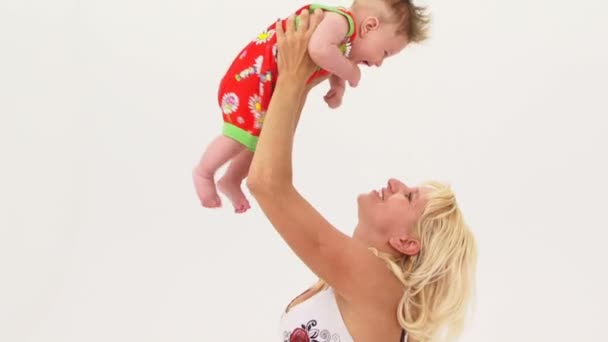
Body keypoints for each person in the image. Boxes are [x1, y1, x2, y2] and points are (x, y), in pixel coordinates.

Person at [246, 10, 477, 342]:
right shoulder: (355, 284)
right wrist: (299, 77)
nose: (397, 183)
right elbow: (268, 173)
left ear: (407, 243)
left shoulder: (376, 282)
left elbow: (266, 184)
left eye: (409, 196)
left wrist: (293, 77)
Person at [193, 0, 430, 213]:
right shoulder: (339, 21)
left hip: (268, 87)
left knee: (263, 143)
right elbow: (319, 49)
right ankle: (204, 172)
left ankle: (232, 179)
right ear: (369, 26)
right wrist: (350, 72)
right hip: (251, 80)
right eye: (385, 53)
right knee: (238, 135)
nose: (379, 63)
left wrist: (338, 86)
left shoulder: (344, 41)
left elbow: (334, 57)